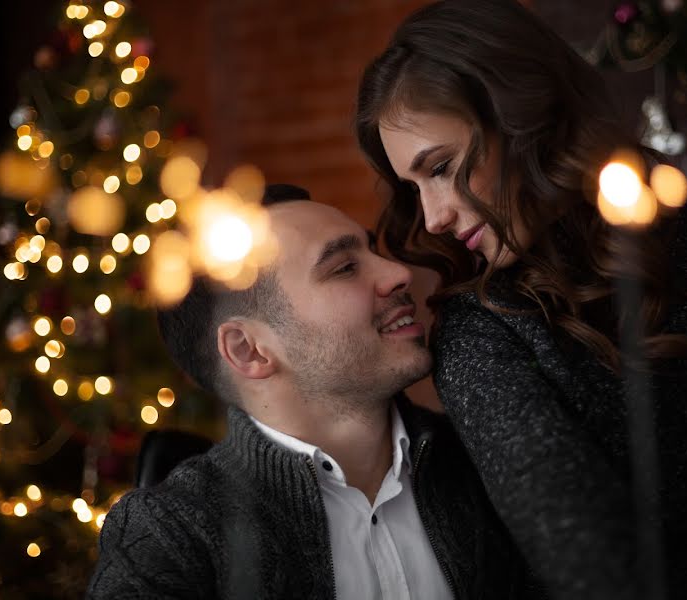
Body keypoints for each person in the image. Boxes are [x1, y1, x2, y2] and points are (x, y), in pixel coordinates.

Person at [355, 1, 687, 599]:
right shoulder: (486, 330)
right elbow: (583, 556)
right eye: (414, 187)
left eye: (444, 167)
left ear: (523, 114)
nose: (432, 218)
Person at [86, 184, 538, 599]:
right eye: (344, 268)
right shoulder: (170, 533)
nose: (399, 272)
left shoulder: (487, 454)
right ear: (249, 350)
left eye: (373, 249)